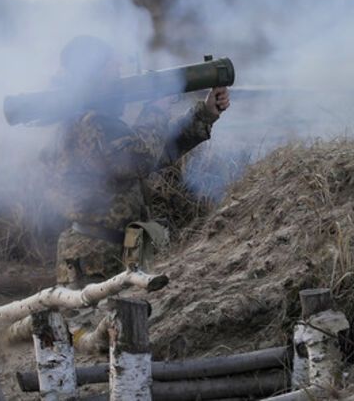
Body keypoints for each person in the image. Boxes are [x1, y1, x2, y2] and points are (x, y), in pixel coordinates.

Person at [44, 35, 230, 286]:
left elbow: (154, 154)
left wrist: (204, 114)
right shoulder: (90, 123)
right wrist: (157, 108)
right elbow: (139, 159)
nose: (120, 79)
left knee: (122, 322)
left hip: (111, 249)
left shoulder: (97, 120)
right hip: (94, 257)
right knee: (93, 324)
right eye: (113, 71)